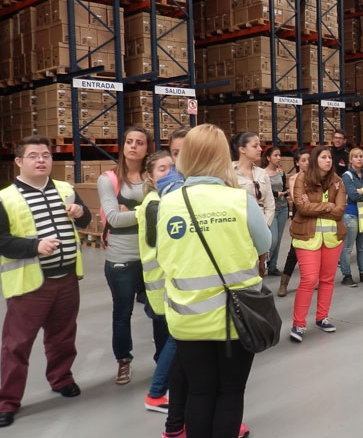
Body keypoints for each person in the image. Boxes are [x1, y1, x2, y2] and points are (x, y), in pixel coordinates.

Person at [157, 124, 270, 437]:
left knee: (200, 392)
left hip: (188, 319)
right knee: (231, 393)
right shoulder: (239, 200)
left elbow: (162, 254)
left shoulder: (167, 203)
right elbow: (264, 244)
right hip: (236, 317)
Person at [0, 135, 91, 428]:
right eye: (33, 155)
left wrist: (81, 213)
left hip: (67, 277)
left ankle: (61, 378)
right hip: (30, 285)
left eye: (45, 155)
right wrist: (34, 247)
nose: (41, 160)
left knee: (63, 336)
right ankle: (6, 401)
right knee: (17, 344)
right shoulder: (4, 199)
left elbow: (85, 221)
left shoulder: (66, 189)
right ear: (19, 162)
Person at [99, 125, 166, 385]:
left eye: (139, 142)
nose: (133, 146)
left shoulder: (155, 177)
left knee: (158, 311)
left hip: (152, 256)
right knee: (122, 312)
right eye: (129, 141)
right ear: (123, 145)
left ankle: (163, 359)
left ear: (147, 147)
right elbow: (114, 217)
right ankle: (123, 360)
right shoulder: (109, 179)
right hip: (121, 258)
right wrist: (148, 211)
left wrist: (134, 210)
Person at [289, 146, 347, 342]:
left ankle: (322, 317)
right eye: (324, 157)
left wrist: (319, 208)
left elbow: (339, 210)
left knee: (327, 279)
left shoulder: (338, 182)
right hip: (307, 237)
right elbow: (302, 208)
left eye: (330, 157)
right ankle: (298, 324)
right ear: (315, 160)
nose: (328, 160)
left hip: (332, 238)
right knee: (309, 279)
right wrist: (327, 206)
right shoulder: (302, 179)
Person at [136, 150, 177, 414]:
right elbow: (159, 243)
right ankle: (156, 393)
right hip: (161, 282)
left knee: (173, 337)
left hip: (167, 281)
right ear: (150, 176)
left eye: (172, 167)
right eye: (162, 169)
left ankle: (168, 386)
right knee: (177, 336)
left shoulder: (163, 200)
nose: (169, 172)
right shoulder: (155, 204)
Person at [231, 132, 275, 277]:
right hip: (239, 228)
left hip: (261, 227)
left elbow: (270, 204)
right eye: (255, 146)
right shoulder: (229, 172)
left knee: (260, 268)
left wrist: (265, 226)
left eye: (260, 145)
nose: (260, 149)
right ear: (242, 149)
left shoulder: (262, 174)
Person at [339, 147, 363, 286]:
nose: (359, 159)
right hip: (351, 215)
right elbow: (353, 195)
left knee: (362, 247)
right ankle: (346, 275)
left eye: (361, 156)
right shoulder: (346, 176)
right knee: (348, 247)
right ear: (350, 160)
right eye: (355, 156)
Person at [279, 148, 310, 297]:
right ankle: (283, 283)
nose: (307, 163)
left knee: (313, 248)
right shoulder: (293, 179)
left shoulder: (316, 178)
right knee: (294, 252)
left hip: (315, 217)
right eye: (303, 160)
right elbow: (297, 199)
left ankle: (311, 280)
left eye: (309, 160)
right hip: (300, 218)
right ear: (297, 163)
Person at [263, 147, 289, 276]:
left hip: (283, 208)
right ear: (268, 158)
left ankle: (273, 266)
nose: (278, 158)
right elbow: (263, 191)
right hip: (270, 210)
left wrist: (286, 192)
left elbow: (284, 187)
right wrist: (275, 194)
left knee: (278, 239)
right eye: (275, 155)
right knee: (272, 240)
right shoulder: (262, 174)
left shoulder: (281, 173)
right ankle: (264, 262)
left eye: (279, 155)